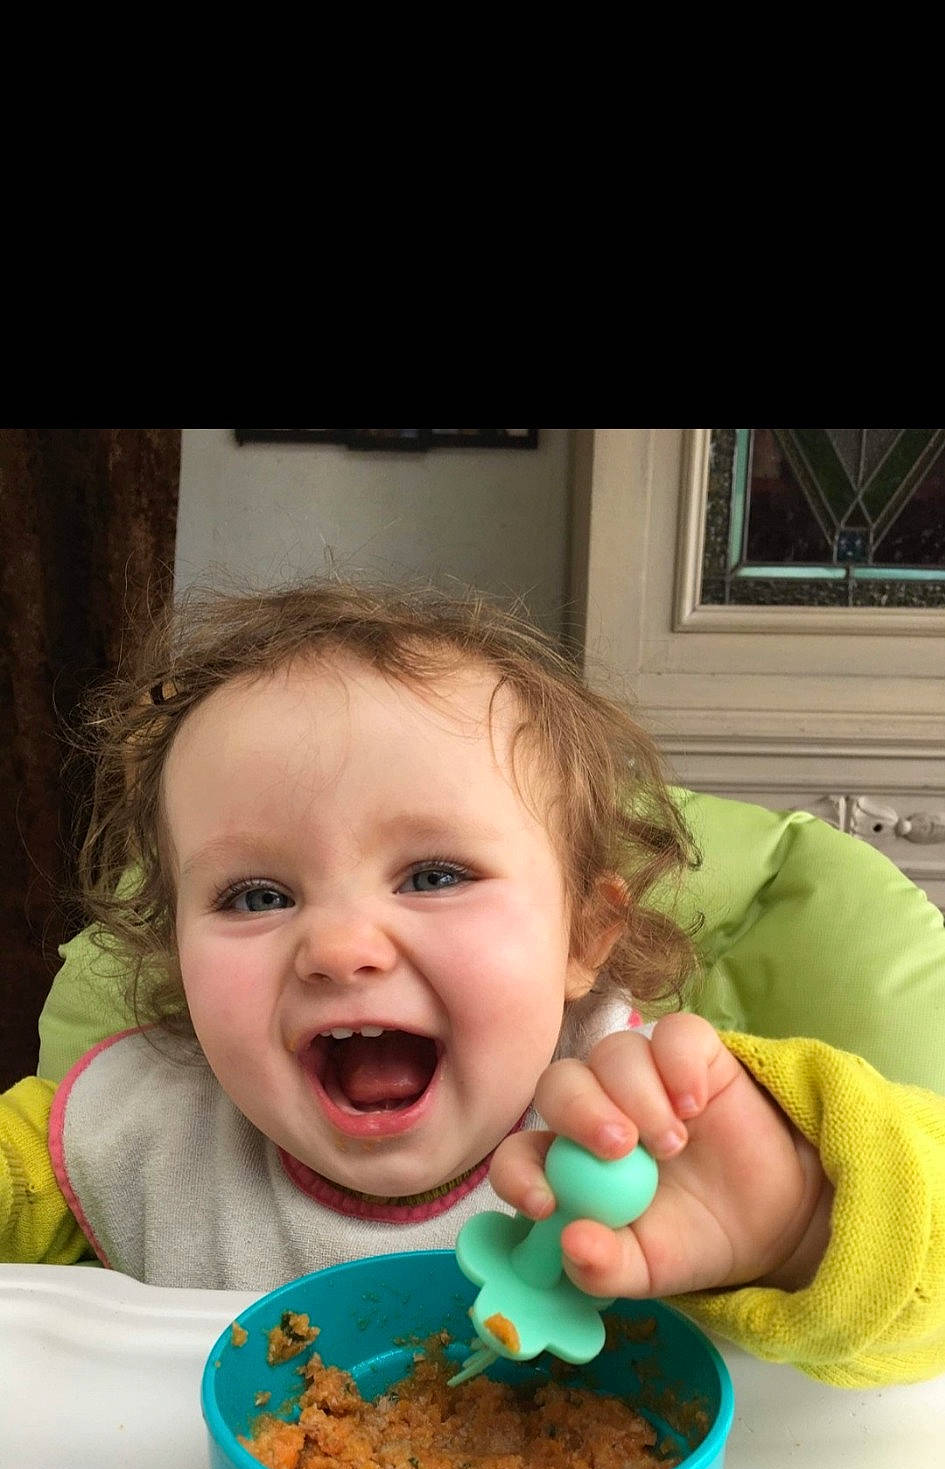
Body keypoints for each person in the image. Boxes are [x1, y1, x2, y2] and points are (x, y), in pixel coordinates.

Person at [2, 578, 944, 1388]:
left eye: (434, 875)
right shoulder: (143, 1132)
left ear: (585, 935)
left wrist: (798, 1225)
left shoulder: (668, 1129)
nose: (337, 946)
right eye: (255, 894)